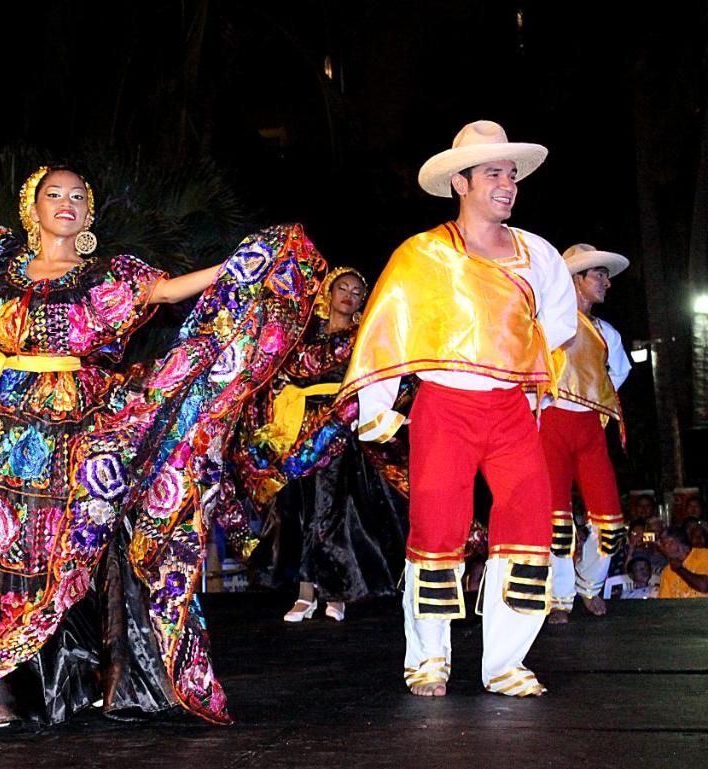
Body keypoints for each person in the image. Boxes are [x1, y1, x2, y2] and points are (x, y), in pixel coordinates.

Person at [0, 104, 326, 727]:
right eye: (53, 194)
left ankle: (105, 678)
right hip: (1, 421)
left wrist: (248, 265)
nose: (65, 202)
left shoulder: (107, 276)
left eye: (77, 195)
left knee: (79, 542)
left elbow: (169, 291)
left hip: (81, 419)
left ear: (88, 214)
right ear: (32, 208)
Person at [335, 120, 576, 697]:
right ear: (460, 183)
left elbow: (559, 327)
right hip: (445, 406)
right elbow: (385, 331)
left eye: (511, 174)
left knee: (527, 527)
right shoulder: (423, 256)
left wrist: (531, 379)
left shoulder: (537, 254)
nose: (507, 184)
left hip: (512, 410)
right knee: (437, 528)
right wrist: (379, 408)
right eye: (494, 173)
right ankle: (428, 659)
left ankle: (505, 663)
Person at [232, 267, 408, 622]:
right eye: (342, 287)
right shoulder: (304, 336)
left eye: (357, 291)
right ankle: (305, 593)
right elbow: (278, 372)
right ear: (328, 294)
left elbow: (391, 380)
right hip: (298, 427)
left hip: (340, 427)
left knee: (334, 510)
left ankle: (336, 591)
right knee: (296, 509)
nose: (349, 295)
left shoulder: (366, 338)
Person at [540, 244, 632, 624]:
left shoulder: (607, 333)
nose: (606, 282)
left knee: (610, 521)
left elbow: (618, 374)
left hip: (590, 428)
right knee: (556, 521)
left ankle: (589, 585)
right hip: (553, 427)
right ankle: (559, 598)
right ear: (576, 281)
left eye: (605, 275)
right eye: (598, 275)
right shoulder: (548, 324)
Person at [656, 527, 708, 598]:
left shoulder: (704, 555)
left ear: (674, 543)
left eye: (664, 544)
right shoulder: (667, 571)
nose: (661, 548)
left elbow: (704, 586)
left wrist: (679, 569)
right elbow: (664, 604)